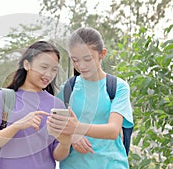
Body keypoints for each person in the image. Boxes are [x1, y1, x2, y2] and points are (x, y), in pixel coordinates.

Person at [47, 27, 134, 168]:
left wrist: (76, 128)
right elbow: (53, 124)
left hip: (111, 164)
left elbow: (113, 130)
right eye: (75, 60)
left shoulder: (117, 87)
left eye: (87, 59)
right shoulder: (69, 88)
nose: (81, 66)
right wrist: (72, 136)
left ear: (102, 54)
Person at [0, 41, 71, 169]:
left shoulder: (56, 105)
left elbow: (57, 155)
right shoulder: (3, 98)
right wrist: (17, 126)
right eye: (43, 67)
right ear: (27, 64)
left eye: (54, 69)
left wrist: (66, 142)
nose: (49, 74)